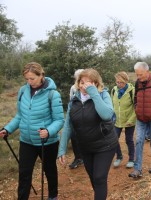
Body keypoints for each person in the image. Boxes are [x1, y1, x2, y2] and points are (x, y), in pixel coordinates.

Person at [0, 62, 64, 200]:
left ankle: (53, 196)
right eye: (27, 79)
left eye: (32, 78)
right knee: (24, 173)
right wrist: (7, 129)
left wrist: (48, 131)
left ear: (41, 75)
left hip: (46, 141)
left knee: (50, 171)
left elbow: (59, 120)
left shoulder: (53, 94)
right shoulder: (23, 91)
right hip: (26, 140)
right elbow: (20, 115)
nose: (29, 82)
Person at [58, 68, 118, 200]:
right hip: (85, 147)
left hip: (105, 145)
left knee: (99, 177)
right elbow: (68, 125)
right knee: (93, 178)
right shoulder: (74, 100)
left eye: (89, 82)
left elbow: (107, 115)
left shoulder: (103, 95)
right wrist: (62, 149)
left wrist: (94, 93)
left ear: (96, 84)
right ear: (78, 83)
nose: (84, 85)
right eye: (82, 82)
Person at [111, 71, 136, 168]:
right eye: (117, 82)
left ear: (125, 81)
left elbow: (135, 107)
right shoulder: (113, 90)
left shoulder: (131, 91)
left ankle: (131, 159)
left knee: (128, 139)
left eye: (120, 82)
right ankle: (119, 157)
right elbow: (111, 105)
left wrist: (131, 119)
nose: (118, 84)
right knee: (114, 139)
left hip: (129, 120)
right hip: (116, 120)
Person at [68, 69, 84, 169]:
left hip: (86, 116)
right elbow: (71, 102)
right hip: (76, 116)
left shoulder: (89, 87)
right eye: (77, 77)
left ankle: (86, 156)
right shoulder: (73, 88)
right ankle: (78, 158)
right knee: (74, 136)